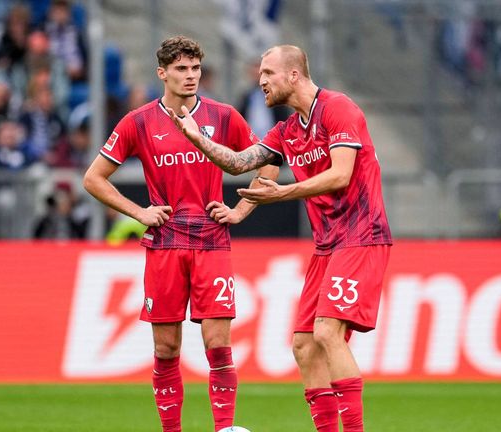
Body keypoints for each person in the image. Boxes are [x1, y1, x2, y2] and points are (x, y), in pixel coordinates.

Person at [168, 44, 393, 432]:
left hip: (361, 234)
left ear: (293, 75)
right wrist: (196, 137)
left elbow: (341, 174)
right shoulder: (287, 131)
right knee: (305, 346)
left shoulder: (338, 109)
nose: (261, 82)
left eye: (268, 74)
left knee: (326, 332)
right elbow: (241, 163)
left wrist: (283, 193)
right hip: (327, 245)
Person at [82, 36, 259, 432]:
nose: (190, 76)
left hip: (212, 241)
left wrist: (241, 209)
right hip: (165, 243)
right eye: (181, 69)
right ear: (162, 73)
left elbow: (266, 164)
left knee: (218, 344)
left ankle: (225, 429)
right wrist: (139, 211)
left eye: (195, 68)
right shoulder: (139, 121)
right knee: (166, 349)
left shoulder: (225, 116)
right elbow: (93, 178)